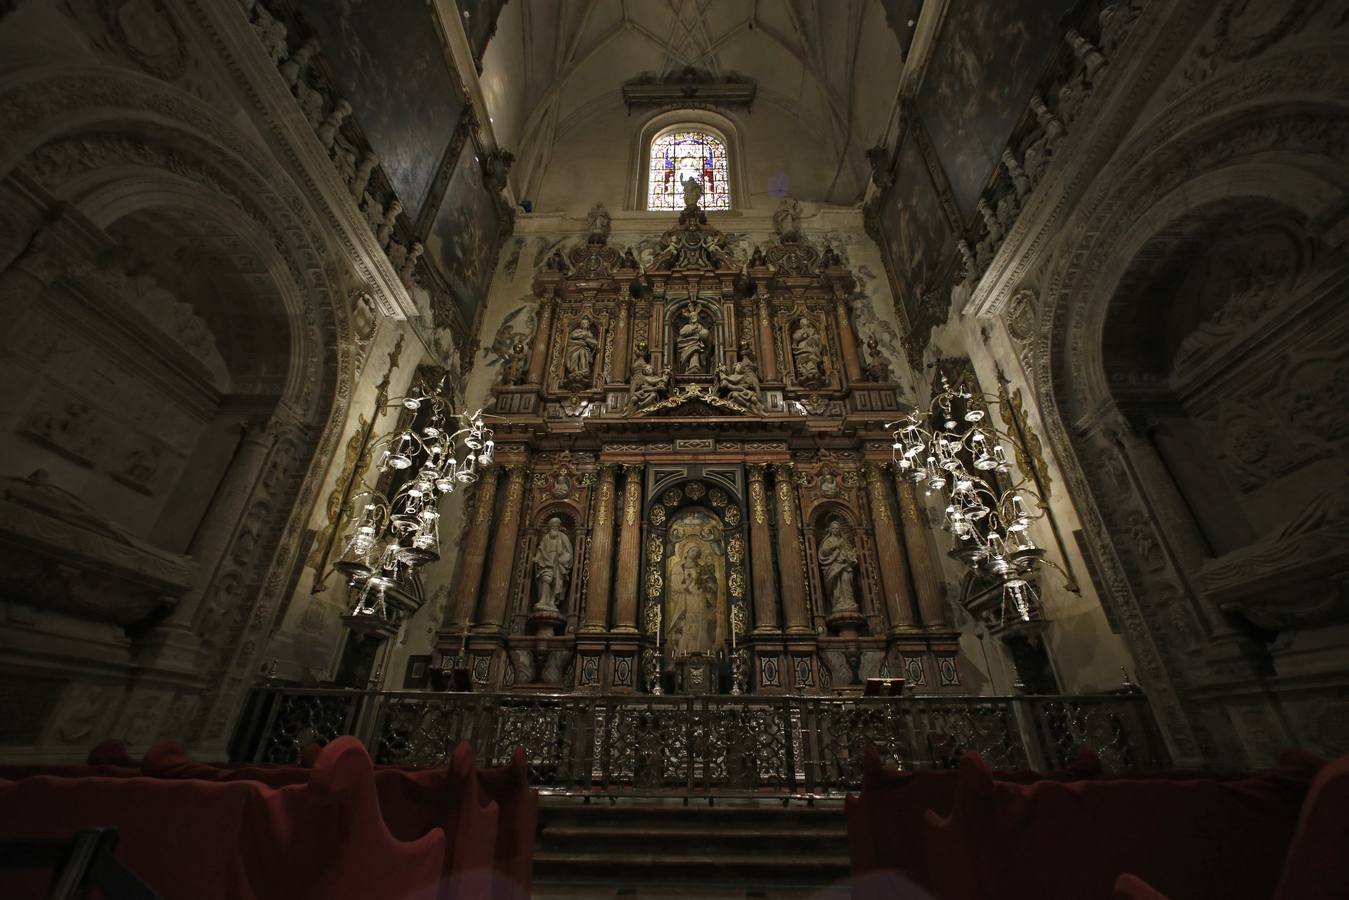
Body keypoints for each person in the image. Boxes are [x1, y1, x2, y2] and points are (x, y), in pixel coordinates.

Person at [818, 521, 860, 613]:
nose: (835, 530)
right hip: (834, 567)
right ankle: (838, 603)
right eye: (833, 528)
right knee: (836, 586)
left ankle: (849, 602)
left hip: (845, 566)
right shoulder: (828, 540)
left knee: (846, 582)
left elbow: (849, 551)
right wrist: (835, 546)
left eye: (837, 528)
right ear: (830, 529)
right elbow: (824, 552)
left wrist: (851, 557)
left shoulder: (843, 540)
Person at [532, 518, 573, 612]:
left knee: (557, 582)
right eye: (553, 526)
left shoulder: (563, 537)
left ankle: (552, 601)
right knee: (546, 578)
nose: (555, 528)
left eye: (556, 526)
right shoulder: (546, 537)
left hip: (558, 563)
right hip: (546, 561)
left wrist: (564, 559)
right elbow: (541, 549)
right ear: (550, 527)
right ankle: (543, 600)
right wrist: (537, 558)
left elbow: (568, 552)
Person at [676, 306, 711, 374]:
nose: (693, 317)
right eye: (692, 316)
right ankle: (689, 367)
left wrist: (705, 336)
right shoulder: (687, 326)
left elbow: (704, 334)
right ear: (690, 318)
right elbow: (682, 333)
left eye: (695, 316)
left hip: (698, 343)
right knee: (693, 350)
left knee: (696, 350)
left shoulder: (700, 326)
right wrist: (693, 329)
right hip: (686, 344)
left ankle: (695, 367)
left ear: (697, 317)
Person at [563, 315, 597, 383]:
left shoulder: (590, 334)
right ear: (581, 325)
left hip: (585, 349)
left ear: (588, 325)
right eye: (583, 323)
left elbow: (594, 343)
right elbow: (572, 336)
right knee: (575, 355)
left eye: (586, 323)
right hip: (574, 347)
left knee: (582, 352)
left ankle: (583, 369)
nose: (585, 325)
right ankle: (574, 370)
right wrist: (583, 336)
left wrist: (586, 340)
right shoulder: (577, 331)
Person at [792, 319, 825, 383]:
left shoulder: (812, 330)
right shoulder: (799, 331)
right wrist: (802, 334)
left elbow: (817, 338)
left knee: (812, 355)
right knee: (805, 356)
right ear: (802, 324)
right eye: (805, 321)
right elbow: (795, 337)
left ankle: (813, 368)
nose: (807, 321)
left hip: (811, 346)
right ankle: (806, 369)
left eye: (807, 320)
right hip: (803, 346)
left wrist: (814, 338)